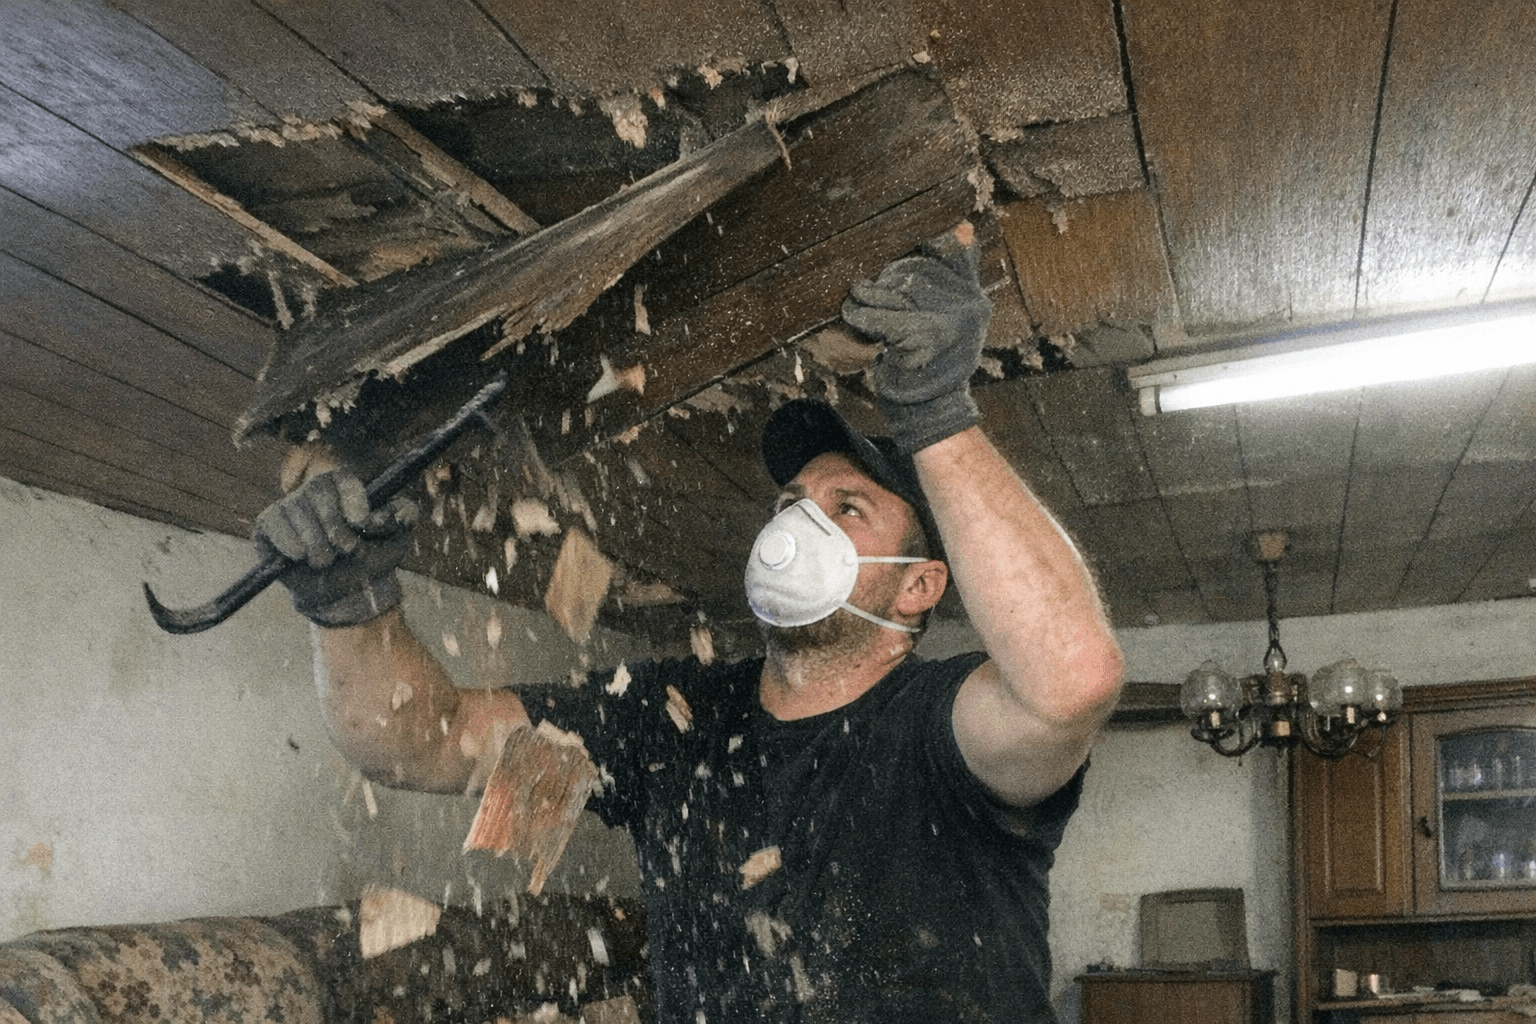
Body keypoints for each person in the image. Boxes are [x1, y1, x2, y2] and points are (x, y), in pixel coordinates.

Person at [257, 222, 1125, 1023]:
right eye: (790, 503)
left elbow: (1069, 683)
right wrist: (346, 602)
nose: (798, 526)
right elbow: (420, 744)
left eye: (847, 507)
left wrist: (936, 408)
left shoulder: (942, 727)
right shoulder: (667, 716)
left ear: (918, 587)